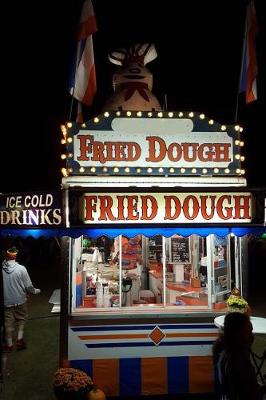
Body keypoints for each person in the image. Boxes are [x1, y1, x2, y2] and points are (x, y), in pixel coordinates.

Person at [213, 312, 266, 399]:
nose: (252, 337)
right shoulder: (237, 362)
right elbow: (248, 395)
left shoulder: (223, 350)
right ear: (238, 334)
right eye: (248, 332)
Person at [2, 246, 41, 352]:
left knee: (8, 323)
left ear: (6, 255)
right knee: (22, 319)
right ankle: (19, 340)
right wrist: (35, 291)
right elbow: (28, 286)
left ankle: (9, 345)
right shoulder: (21, 269)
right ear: (15, 255)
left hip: (6, 301)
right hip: (20, 300)